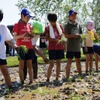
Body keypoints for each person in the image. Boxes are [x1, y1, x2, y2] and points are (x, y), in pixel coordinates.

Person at [13, 8, 34, 85]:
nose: (28, 19)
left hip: (30, 47)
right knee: (21, 66)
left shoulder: (29, 25)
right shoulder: (17, 25)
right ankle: (22, 82)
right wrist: (23, 35)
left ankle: (31, 81)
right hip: (21, 47)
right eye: (27, 17)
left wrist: (31, 35)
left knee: (30, 65)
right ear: (22, 16)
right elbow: (15, 37)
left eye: (29, 17)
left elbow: (32, 36)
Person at [45, 13, 65, 82]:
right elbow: (47, 38)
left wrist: (64, 44)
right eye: (52, 22)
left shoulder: (60, 26)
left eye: (54, 21)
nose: (53, 23)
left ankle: (57, 78)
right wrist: (54, 40)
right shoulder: (47, 28)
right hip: (52, 48)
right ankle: (48, 78)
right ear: (49, 21)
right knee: (51, 63)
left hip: (60, 47)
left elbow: (63, 36)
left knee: (59, 63)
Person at [0, 10, 17, 89]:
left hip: (1, 55)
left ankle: (10, 87)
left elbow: (8, 39)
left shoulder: (3, 27)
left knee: (5, 72)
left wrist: (15, 46)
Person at [64, 9, 82, 80]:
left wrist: (80, 35)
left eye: (75, 15)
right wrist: (73, 36)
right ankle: (67, 77)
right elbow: (65, 35)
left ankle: (80, 75)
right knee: (69, 61)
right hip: (70, 47)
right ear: (69, 17)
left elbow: (81, 34)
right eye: (72, 15)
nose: (74, 16)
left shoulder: (78, 25)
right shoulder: (67, 26)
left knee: (78, 61)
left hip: (77, 47)